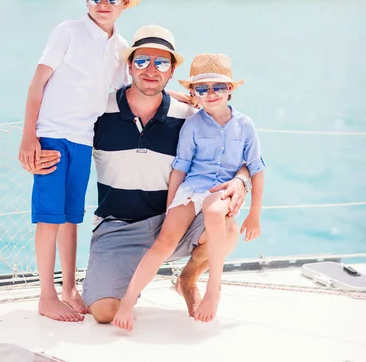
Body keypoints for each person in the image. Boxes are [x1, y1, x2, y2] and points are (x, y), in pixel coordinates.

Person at [79, 27, 251, 324]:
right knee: (104, 313)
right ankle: (124, 274)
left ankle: (188, 277)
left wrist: (241, 180)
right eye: (143, 60)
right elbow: (64, 137)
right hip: (117, 229)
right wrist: (37, 146)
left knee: (227, 226)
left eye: (161, 63)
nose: (150, 69)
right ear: (129, 65)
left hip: (170, 225)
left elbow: (239, 152)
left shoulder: (189, 117)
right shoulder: (99, 111)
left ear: (171, 71)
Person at [18, 0, 140, 322]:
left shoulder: (121, 47)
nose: (103, 3)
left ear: (124, 3)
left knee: (72, 217)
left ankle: (69, 288)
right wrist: (29, 137)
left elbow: (125, 92)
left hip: (83, 141)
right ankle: (46, 295)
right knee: (49, 219)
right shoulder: (67, 31)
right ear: (86, 0)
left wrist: (176, 98)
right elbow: (37, 83)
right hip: (52, 135)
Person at [113, 53, 265, 331]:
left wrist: (255, 214)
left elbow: (256, 167)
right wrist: (171, 207)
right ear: (193, 92)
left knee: (216, 210)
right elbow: (181, 168)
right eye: (202, 88)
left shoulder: (245, 125)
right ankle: (128, 299)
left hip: (219, 191)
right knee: (164, 243)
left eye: (218, 87)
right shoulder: (193, 124)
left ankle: (214, 288)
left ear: (230, 90)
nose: (211, 94)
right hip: (192, 188)